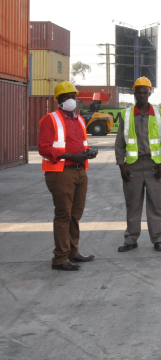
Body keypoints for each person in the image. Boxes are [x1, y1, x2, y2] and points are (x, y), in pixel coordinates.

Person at [38, 81, 98, 271]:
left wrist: (88, 151)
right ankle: (60, 258)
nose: (71, 99)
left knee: (75, 214)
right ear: (59, 100)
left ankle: (73, 252)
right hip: (60, 173)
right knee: (63, 214)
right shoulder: (50, 119)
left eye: (73, 96)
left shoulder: (79, 119)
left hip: (80, 171)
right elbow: (44, 148)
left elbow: (81, 143)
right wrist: (71, 156)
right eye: (66, 97)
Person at [115, 77, 161, 252]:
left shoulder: (158, 114)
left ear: (150, 93)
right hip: (132, 166)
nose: (141, 95)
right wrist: (121, 165)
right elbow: (119, 144)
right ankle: (131, 239)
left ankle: (158, 239)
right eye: (138, 92)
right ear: (134, 93)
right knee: (132, 204)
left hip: (154, 167)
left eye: (145, 92)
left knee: (156, 204)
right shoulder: (126, 115)